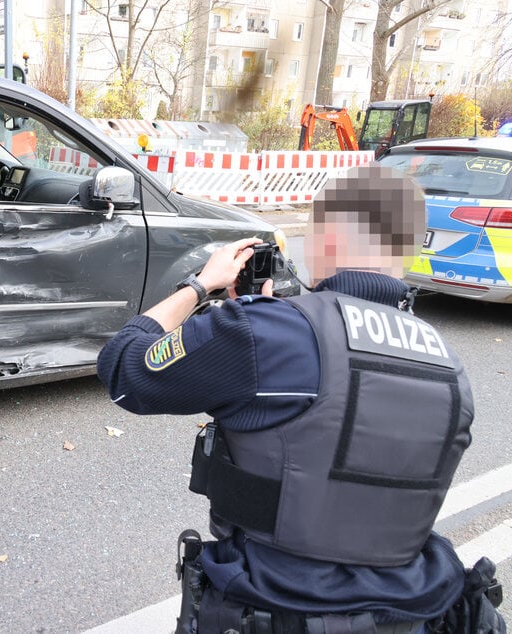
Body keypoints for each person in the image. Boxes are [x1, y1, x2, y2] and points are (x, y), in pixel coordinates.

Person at [96, 164, 479, 631]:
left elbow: (123, 369)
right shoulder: (450, 369)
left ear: (327, 237)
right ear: (410, 248)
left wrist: (200, 286)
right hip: (408, 614)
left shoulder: (268, 331)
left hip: (275, 606)